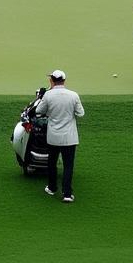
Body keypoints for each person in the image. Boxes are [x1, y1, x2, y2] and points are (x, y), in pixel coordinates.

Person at [34, 69, 85, 203]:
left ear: (52, 80)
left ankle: (52, 188)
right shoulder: (73, 95)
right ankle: (67, 194)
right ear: (64, 80)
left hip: (53, 136)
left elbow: (39, 111)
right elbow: (81, 113)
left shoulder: (48, 96)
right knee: (68, 165)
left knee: (52, 163)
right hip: (69, 137)